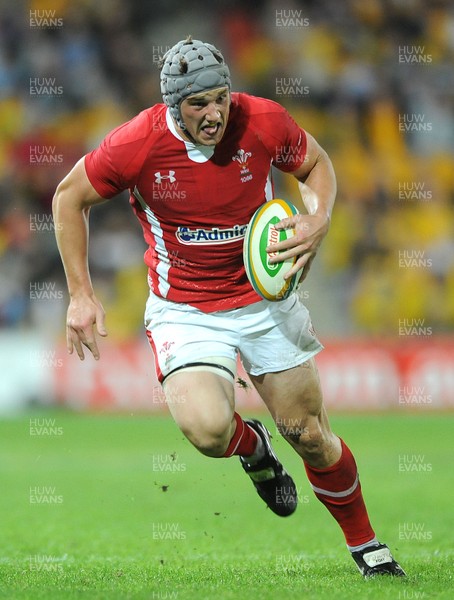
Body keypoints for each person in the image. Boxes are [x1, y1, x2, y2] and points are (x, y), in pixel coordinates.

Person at [53, 36, 405, 578]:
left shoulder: (262, 120)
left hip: (263, 297)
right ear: (174, 106)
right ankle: (252, 448)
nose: (214, 112)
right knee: (208, 429)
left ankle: (366, 545)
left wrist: (320, 216)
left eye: (220, 97)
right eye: (198, 104)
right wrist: (80, 292)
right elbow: (67, 197)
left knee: (309, 433)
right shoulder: (137, 143)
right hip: (185, 306)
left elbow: (315, 164)